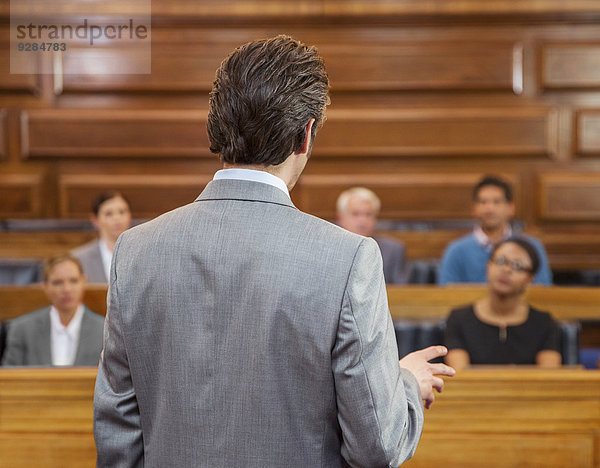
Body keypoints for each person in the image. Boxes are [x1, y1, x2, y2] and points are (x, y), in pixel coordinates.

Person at [93, 35, 455, 467]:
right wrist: (407, 385)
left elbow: (118, 436)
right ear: (306, 135)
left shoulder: (134, 250)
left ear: (217, 127)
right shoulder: (348, 258)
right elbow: (376, 445)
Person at [444, 237, 562, 369]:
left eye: (517, 266)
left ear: (530, 278)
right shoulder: (459, 319)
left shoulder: (544, 323)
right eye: (500, 261)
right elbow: (460, 374)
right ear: (488, 265)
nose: (506, 270)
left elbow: (549, 377)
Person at [438, 175, 552, 285]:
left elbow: (543, 292)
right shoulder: (456, 251)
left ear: (511, 208)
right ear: (474, 209)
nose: (490, 209)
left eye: (497, 202)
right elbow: (446, 294)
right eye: (483, 202)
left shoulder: (532, 247)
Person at [2, 254, 104, 366]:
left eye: (73, 281)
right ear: (45, 286)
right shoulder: (22, 329)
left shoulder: (105, 330)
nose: (67, 289)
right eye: (58, 282)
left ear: (84, 281)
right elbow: (8, 378)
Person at [336, 186, 407, 284]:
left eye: (368, 214)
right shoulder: (329, 248)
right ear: (340, 218)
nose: (363, 221)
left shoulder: (393, 249)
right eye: (355, 214)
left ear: (376, 218)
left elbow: (402, 292)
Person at [71, 191, 132, 283]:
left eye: (122, 212)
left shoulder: (143, 255)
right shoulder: (78, 259)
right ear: (95, 220)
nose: (117, 218)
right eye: (109, 214)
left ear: (129, 216)